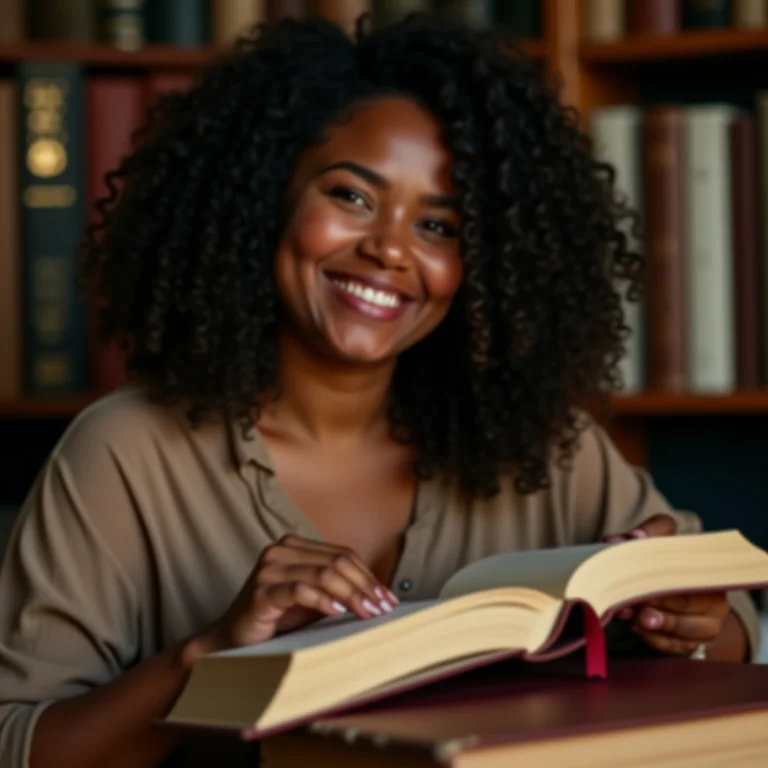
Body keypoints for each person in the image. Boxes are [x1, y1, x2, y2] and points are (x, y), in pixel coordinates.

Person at [0, 12, 760, 768]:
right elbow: (20, 745)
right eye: (352, 197)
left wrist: (692, 619)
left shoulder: (546, 449)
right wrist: (211, 651)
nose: (390, 249)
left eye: (439, 227)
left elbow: (735, 641)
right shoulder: (125, 455)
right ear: (268, 197)